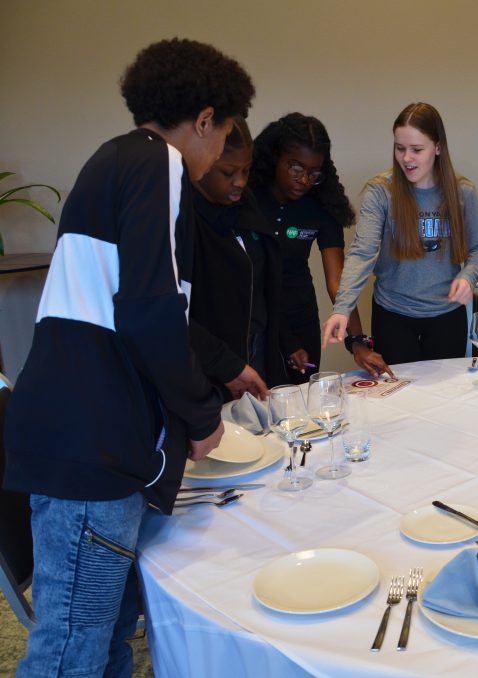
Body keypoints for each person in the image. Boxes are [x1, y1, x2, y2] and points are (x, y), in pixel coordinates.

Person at [3, 38, 252, 677]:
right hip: (94, 443)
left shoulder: (114, 161)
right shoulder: (160, 164)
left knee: (106, 639)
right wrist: (202, 416)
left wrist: (222, 365)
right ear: (204, 120)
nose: (219, 150)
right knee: (70, 653)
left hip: (76, 431)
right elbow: (148, 311)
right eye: (224, 134)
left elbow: (145, 301)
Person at [323, 102, 478, 365]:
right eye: (400, 149)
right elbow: (361, 252)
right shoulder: (380, 192)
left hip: (446, 316)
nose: (407, 158)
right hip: (393, 316)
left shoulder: (462, 193)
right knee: (398, 396)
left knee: (445, 398)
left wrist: (468, 278)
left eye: (416, 150)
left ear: (438, 147)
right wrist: (342, 308)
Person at [250, 113, 389, 380]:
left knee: (301, 400)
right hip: (256, 317)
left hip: (299, 313)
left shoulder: (321, 205)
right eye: (295, 169)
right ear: (275, 157)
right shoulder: (248, 197)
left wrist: (357, 342)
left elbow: (337, 280)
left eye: (314, 173)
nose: (304, 180)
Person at [189, 116, 291, 400]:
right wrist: (226, 364)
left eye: (246, 170)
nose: (240, 182)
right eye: (228, 172)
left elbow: (265, 285)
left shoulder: (245, 205)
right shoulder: (182, 217)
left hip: (254, 351)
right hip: (208, 365)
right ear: (202, 160)